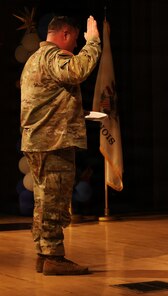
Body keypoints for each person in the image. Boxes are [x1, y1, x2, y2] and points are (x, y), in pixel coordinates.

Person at [20, 15, 101, 276]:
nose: (76, 46)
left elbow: (50, 101)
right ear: (64, 33)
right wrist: (94, 43)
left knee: (43, 201)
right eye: (76, 40)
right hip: (53, 142)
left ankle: (44, 255)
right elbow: (78, 69)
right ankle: (54, 257)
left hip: (40, 141)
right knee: (54, 200)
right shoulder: (53, 56)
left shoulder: (34, 59)